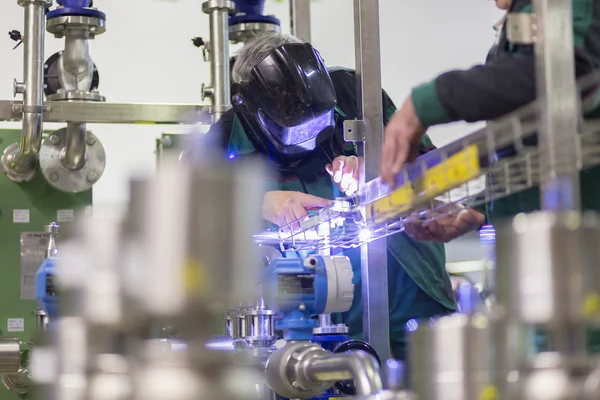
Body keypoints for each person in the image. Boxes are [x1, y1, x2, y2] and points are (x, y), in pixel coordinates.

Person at [202, 32, 465, 361]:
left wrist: (377, 169)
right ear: (255, 115)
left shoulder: (357, 94)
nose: (312, 140)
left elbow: (430, 168)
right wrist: (260, 202)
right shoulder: (222, 143)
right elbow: (185, 224)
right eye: (299, 132)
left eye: (320, 124)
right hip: (310, 325)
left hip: (412, 297)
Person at [379, 0, 600, 236]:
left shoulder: (563, 7)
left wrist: (427, 102)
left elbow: (563, 73)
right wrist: (481, 209)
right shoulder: (512, 32)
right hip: (533, 244)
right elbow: (528, 148)